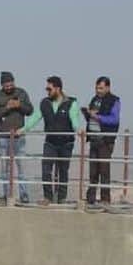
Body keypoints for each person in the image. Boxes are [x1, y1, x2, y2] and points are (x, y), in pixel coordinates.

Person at [22, 75, 83, 206]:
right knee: (46, 169)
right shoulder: (45, 103)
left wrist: (78, 129)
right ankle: (48, 197)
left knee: (63, 170)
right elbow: (35, 117)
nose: (47, 92)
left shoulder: (71, 103)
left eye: (49, 89)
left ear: (58, 88)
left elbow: (74, 118)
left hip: (66, 142)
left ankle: (61, 198)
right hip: (50, 142)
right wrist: (22, 129)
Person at [0, 71, 33, 206]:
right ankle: (7, 195)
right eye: (6, 85)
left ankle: (24, 194)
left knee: (21, 167)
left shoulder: (21, 93)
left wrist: (19, 105)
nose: (8, 87)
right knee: (5, 168)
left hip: (19, 136)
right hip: (3, 136)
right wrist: (7, 107)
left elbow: (30, 110)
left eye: (10, 84)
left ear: (13, 82)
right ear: (2, 85)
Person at [83, 76, 121, 210]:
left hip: (105, 140)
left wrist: (97, 117)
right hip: (93, 139)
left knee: (104, 170)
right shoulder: (94, 100)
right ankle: (90, 199)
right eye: (96, 88)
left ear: (108, 88)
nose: (98, 90)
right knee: (93, 172)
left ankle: (105, 199)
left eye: (101, 88)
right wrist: (87, 114)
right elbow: (92, 116)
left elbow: (114, 120)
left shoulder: (114, 101)